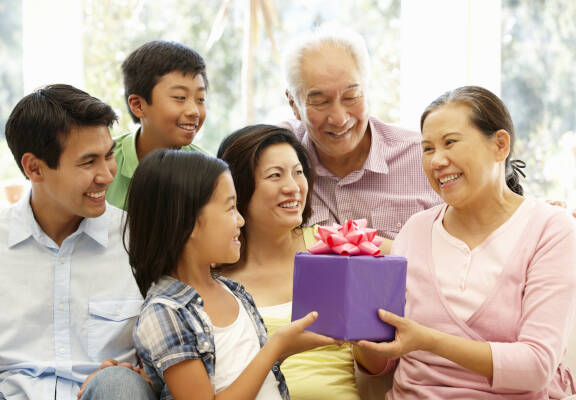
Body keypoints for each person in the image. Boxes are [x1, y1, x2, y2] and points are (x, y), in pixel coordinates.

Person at [354, 86, 576, 399]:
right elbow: (382, 364)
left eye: (450, 143)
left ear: (500, 145)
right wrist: (360, 333)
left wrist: (428, 341)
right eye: (428, 148)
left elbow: (537, 367)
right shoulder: (416, 230)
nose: (436, 161)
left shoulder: (550, 229)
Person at [0, 84, 154, 400]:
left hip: (104, 395)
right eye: (88, 162)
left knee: (121, 386)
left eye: (109, 155)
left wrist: (143, 375)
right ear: (34, 167)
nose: (107, 175)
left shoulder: (139, 238)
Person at [124, 149, 338, 399]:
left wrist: (287, 347)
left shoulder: (233, 291)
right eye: (230, 208)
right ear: (188, 222)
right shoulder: (165, 313)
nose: (240, 221)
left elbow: (246, 369)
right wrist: (275, 346)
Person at [216, 124, 362, 399]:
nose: (293, 187)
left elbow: (412, 257)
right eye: (275, 175)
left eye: (298, 173)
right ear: (238, 187)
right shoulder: (214, 274)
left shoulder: (335, 245)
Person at [281, 27, 441, 253]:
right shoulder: (275, 161)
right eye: (320, 101)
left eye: (351, 97)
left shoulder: (424, 157)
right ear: (293, 105)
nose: (339, 118)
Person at [106, 40, 208, 210]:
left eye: (201, 99)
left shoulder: (209, 172)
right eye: (180, 97)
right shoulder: (104, 164)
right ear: (138, 105)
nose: (194, 111)